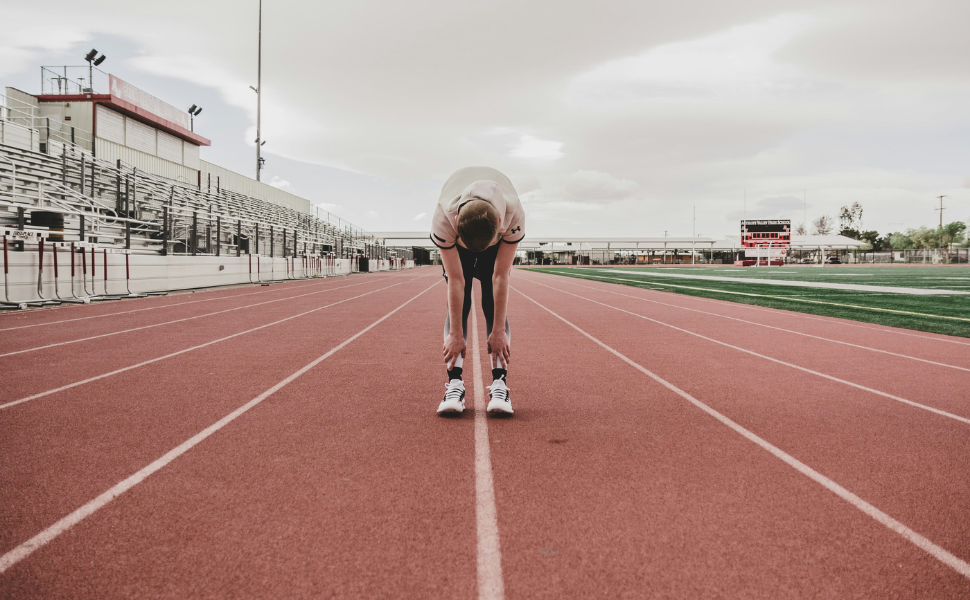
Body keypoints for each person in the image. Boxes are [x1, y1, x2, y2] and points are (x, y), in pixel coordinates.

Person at [431, 166, 525, 415]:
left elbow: (500, 276)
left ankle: (499, 384)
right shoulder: (444, 219)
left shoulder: (514, 216)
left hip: (493, 238)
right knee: (458, 310)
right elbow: (456, 279)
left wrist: (497, 332)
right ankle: (454, 384)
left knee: (491, 304)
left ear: (500, 224)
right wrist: (455, 335)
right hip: (462, 236)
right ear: (456, 223)